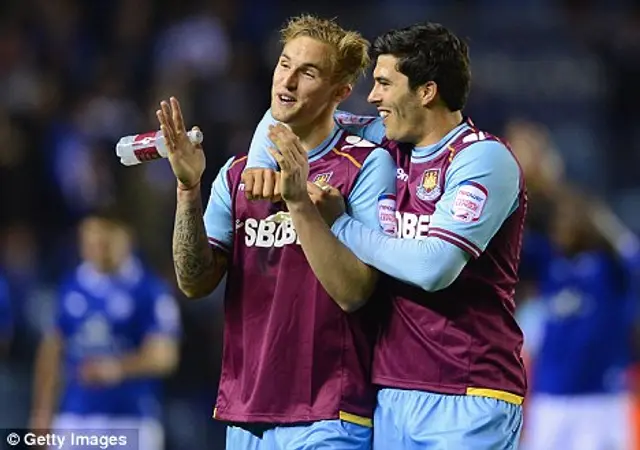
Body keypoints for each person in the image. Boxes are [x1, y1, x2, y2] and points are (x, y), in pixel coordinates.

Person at [244, 21, 527, 449]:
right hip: (390, 390)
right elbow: (289, 108)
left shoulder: (482, 158)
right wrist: (258, 161)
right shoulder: (385, 140)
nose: (372, 97)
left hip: (468, 389)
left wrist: (340, 224)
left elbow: (434, 267)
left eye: (383, 83)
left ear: (426, 91)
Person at [159, 15, 396, 450]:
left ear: (340, 93)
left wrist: (300, 203)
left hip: (330, 412)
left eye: (308, 72)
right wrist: (188, 188)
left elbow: (356, 291)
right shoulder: (237, 174)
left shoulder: (365, 166)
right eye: (284, 64)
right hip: (246, 414)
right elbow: (194, 281)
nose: (287, 81)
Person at [30, 214, 180, 450]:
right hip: (75, 417)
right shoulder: (69, 287)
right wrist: (42, 412)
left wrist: (115, 368)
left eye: (104, 240)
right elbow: (51, 352)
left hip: (131, 419)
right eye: (90, 240)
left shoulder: (150, 290)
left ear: (126, 238)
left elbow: (164, 356)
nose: (97, 248)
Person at [519, 189, 639, 450]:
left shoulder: (612, 268)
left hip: (602, 396)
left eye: (570, 220)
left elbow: (634, 259)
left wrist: (606, 224)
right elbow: (519, 248)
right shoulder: (550, 264)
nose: (563, 227)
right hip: (552, 396)